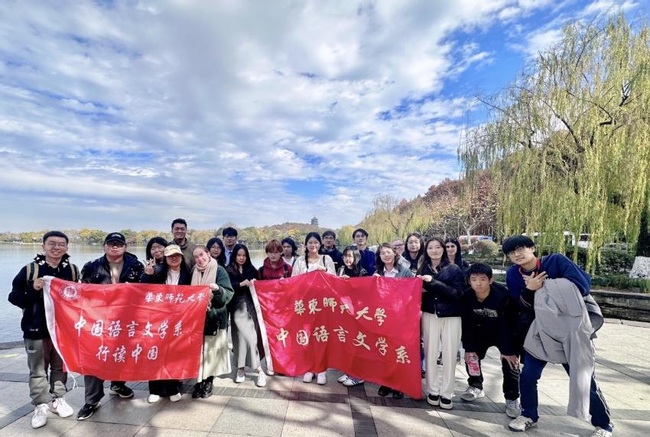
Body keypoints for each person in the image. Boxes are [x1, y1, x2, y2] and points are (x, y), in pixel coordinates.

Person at [503, 235, 613, 436]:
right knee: (528, 375)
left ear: (532, 248)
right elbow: (520, 303)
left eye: (520, 249)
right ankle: (528, 415)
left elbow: (583, 286)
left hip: (572, 329)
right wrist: (530, 289)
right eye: (511, 252)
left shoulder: (556, 262)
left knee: (583, 377)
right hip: (542, 329)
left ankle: (604, 424)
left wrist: (543, 286)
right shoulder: (513, 274)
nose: (517, 254)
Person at [8, 231, 78, 429]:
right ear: (43, 246)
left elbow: (78, 297)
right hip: (36, 328)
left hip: (63, 330)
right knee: (38, 370)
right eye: (52, 243)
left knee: (59, 366)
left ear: (66, 247)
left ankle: (58, 398)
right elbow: (14, 297)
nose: (56, 248)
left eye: (61, 244)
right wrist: (33, 289)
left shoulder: (72, 270)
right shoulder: (30, 270)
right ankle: (40, 404)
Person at [77, 232, 144, 421]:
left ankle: (118, 384)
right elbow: (83, 292)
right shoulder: (91, 266)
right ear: (104, 246)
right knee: (94, 357)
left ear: (125, 247)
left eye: (119, 244)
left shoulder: (137, 266)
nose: (115, 247)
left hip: (126, 319)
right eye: (111, 243)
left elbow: (145, 291)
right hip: (99, 320)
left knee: (121, 353)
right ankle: (92, 400)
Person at [460, 263, 521, 418]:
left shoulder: (503, 295)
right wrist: (468, 348)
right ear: (469, 281)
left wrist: (508, 350)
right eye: (474, 279)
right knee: (472, 357)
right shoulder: (466, 296)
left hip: (503, 332)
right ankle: (475, 386)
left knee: (510, 362)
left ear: (490, 280)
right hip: (479, 332)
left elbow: (509, 324)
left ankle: (512, 398)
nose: (478, 283)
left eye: (482, 279)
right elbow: (466, 323)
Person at [418, 236, 466, 410]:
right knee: (430, 353)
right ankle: (432, 390)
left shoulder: (453, 269)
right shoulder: (423, 268)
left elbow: (458, 293)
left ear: (443, 249)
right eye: (430, 248)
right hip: (430, 314)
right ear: (426, 250)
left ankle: (447, 393)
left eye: (438, 247)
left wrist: (433, 283)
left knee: (449, 355)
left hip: (451, 315)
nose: (434, 251)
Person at [140, 244, 192, 403]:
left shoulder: (188, 274)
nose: (174, 258)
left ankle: (172, 388)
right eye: (170, 256)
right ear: (166, 258)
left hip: (179, 319)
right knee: (155, 352)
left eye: (176, 255)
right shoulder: (157, 271)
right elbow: (143, 289)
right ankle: (154, 389)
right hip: (158, 318)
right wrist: (148, 275)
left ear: (181, 256)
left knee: (173, 354)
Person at [191, 246, 234, 398]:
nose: (199, 259)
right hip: (197, 319)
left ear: (208, 254)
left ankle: (208, 381)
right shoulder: (193, 272)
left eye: (201, 255)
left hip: (214, 317)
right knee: (199, 353)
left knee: (211, 353)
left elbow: (227, 295)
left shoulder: (219, 270)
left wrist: (218, 291)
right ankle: (199, 381)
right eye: (196, 257)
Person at [292, 232, 336, 384]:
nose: (313, 245)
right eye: (310, 242)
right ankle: (309, 368)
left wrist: (325, 273)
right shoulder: (299, 261)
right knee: (307, 335)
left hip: (322, 304)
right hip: (305, 304)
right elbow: (293, 281)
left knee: (321, 335)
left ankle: (322, 369)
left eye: (316, 242)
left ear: (320, 244)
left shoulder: (326, 259)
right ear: (306, 244)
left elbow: (334, 280)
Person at [373, 243, 415, 399]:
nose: (386, 255)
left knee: (399, 350)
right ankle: (386, 381)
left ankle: (399, 384)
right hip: (383, 317)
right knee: (385, 349)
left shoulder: (405, 272)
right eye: (382, 253)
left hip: (400, 316)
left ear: (395, 253)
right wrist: (374, 282)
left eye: (388, 252)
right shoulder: (378, 273)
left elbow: (412, 292)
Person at [227, 243, 267, 386]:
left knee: (251, 338)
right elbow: (227, 287)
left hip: (250, 307)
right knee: (239, 339)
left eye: (244, 255)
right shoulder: (228, 269)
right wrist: (240, 284)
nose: (241, 258)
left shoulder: (252, 269)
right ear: (234, 256)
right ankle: (241, 368)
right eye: (239, 255)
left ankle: (258, 370)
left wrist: (255, 283)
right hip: (237, 307)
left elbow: (260, 285)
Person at [336, 246, 369, 387]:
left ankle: (359, 375)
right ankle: (349, 371)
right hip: (344, 312)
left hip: (358, 313)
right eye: (345, 256)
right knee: (347, 343)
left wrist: (351, 283)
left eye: (350, 256)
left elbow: (365, 293)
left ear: (356, 257)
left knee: (357, 343)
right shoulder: (341, 270)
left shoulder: (362, 272)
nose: (347, 259)